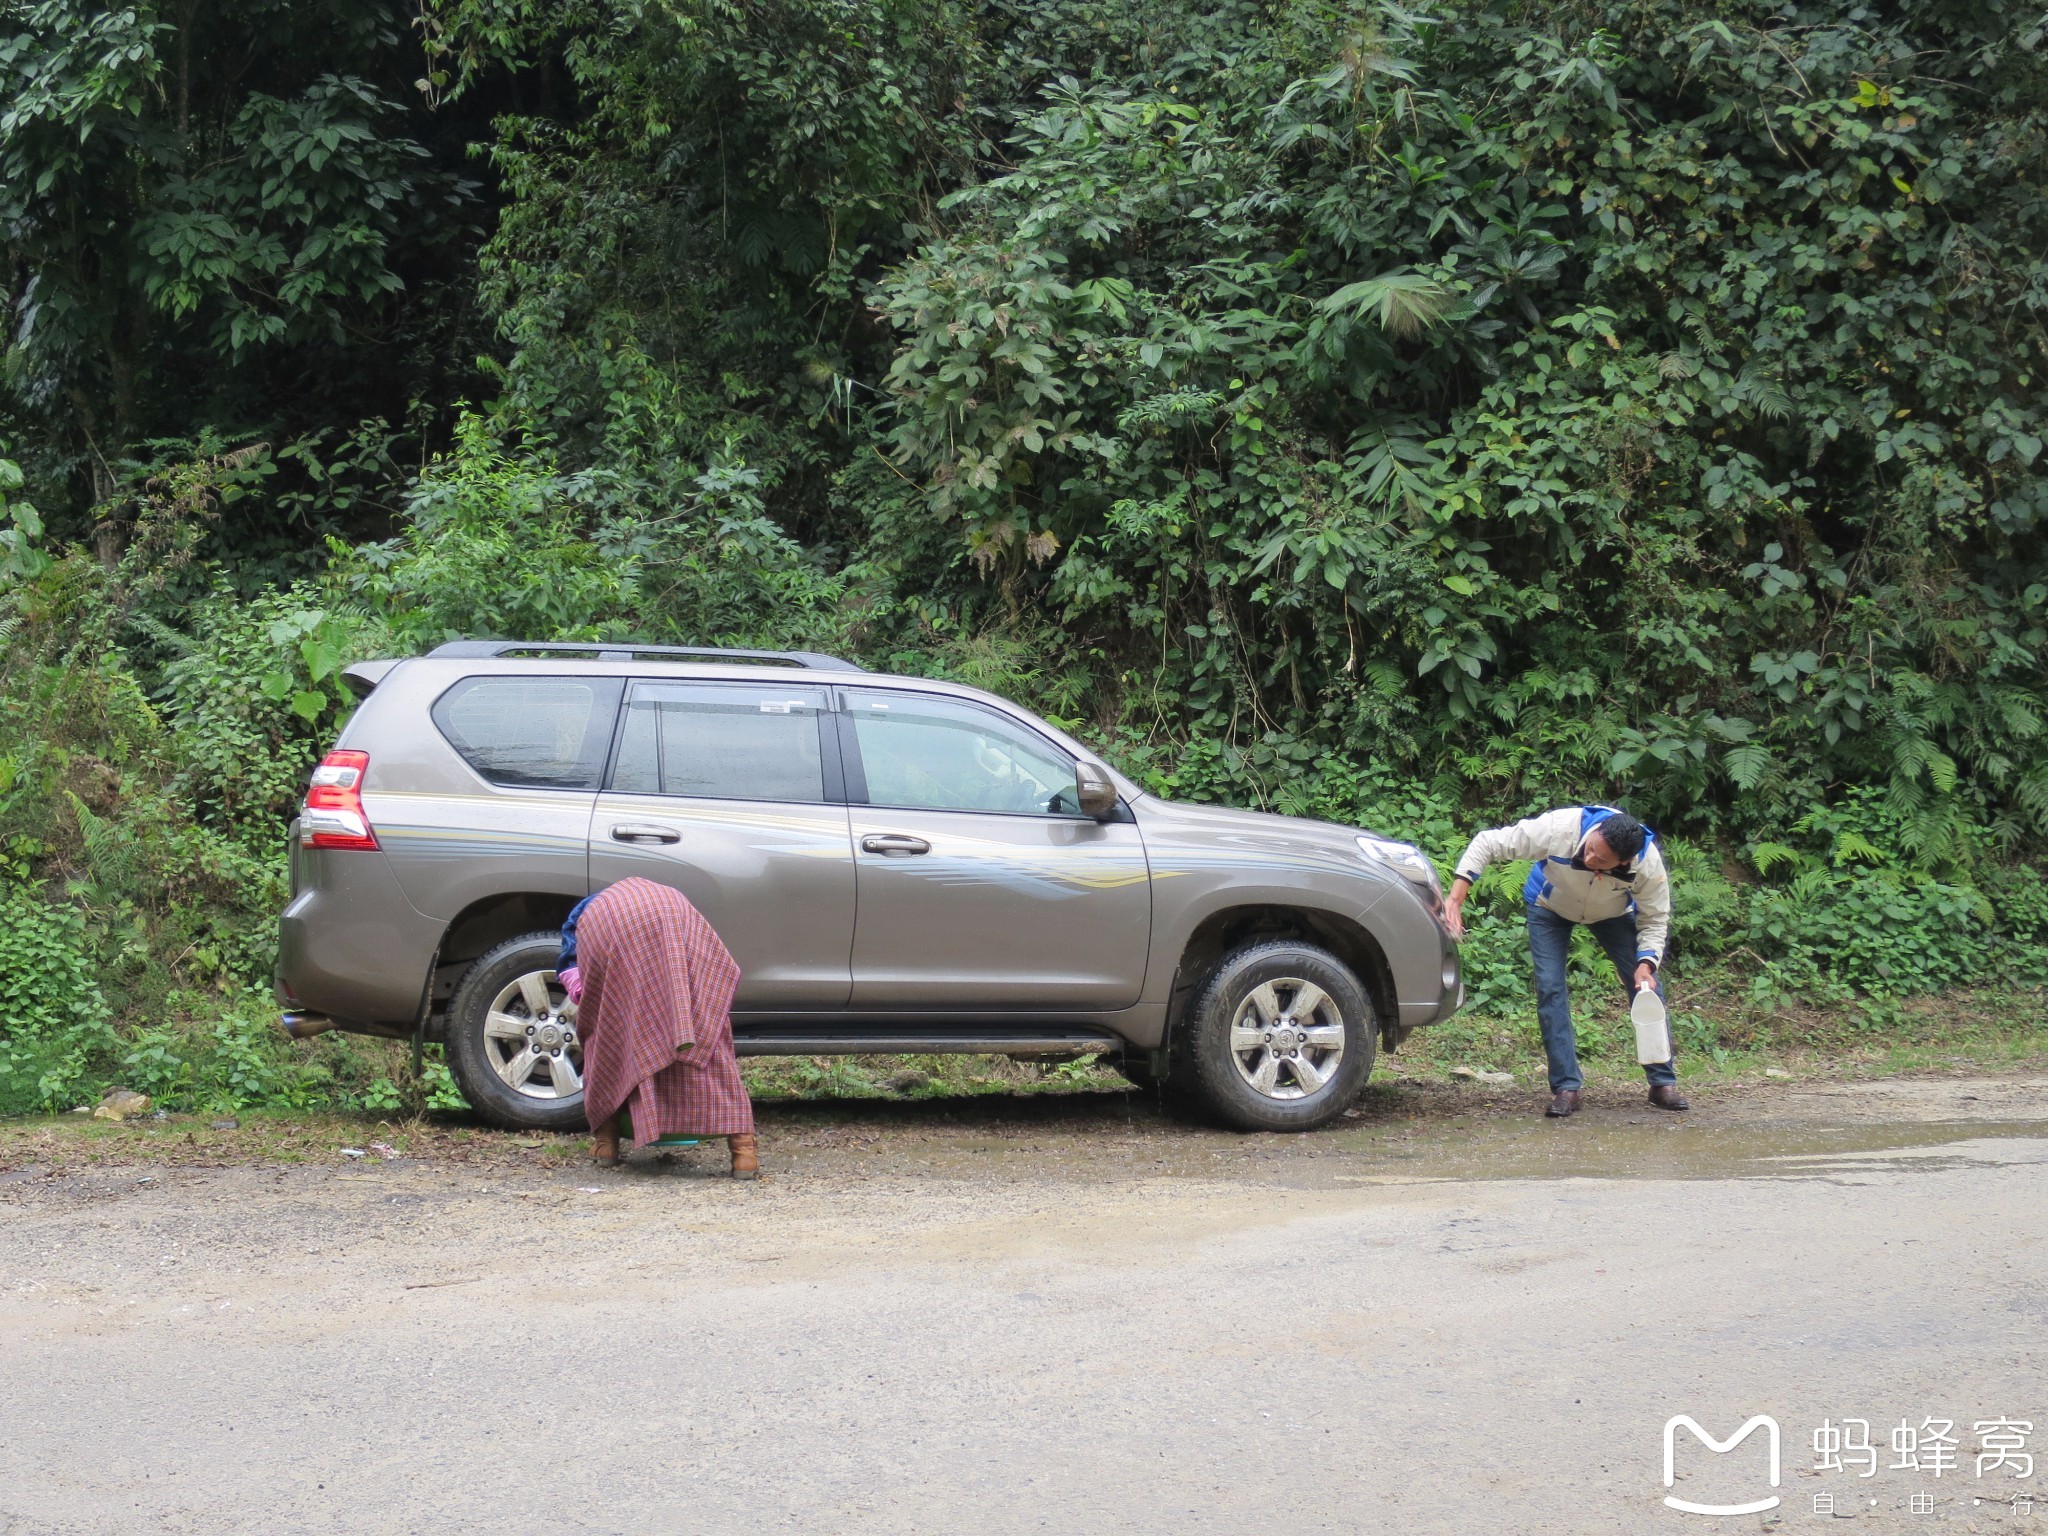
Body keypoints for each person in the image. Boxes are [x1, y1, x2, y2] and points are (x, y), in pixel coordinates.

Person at [1443, 805, 1688, 1119]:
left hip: (1613, 914)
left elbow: (1655, 918)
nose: (1589, 860)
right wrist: (1456, 898)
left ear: (1624, 862)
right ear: (1593, 834)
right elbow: (1488, 842)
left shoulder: (1646, 863)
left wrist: (1647, 963)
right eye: (1590, 849)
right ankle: (1566, 1088)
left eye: (1601, 861)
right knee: (1550, 988)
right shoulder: (1560, 828)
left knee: (1645, 987)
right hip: (1550, 906)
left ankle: (1662, 1083)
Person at [558, 878, 759, 1177]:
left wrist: (589, 999)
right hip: (676, 911)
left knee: (610, 1032)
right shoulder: (643, 897)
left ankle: (606, 1143)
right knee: (704, 1024)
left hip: (616, 923)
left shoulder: (580, 921)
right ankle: (744, 1152)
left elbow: (574, 975)